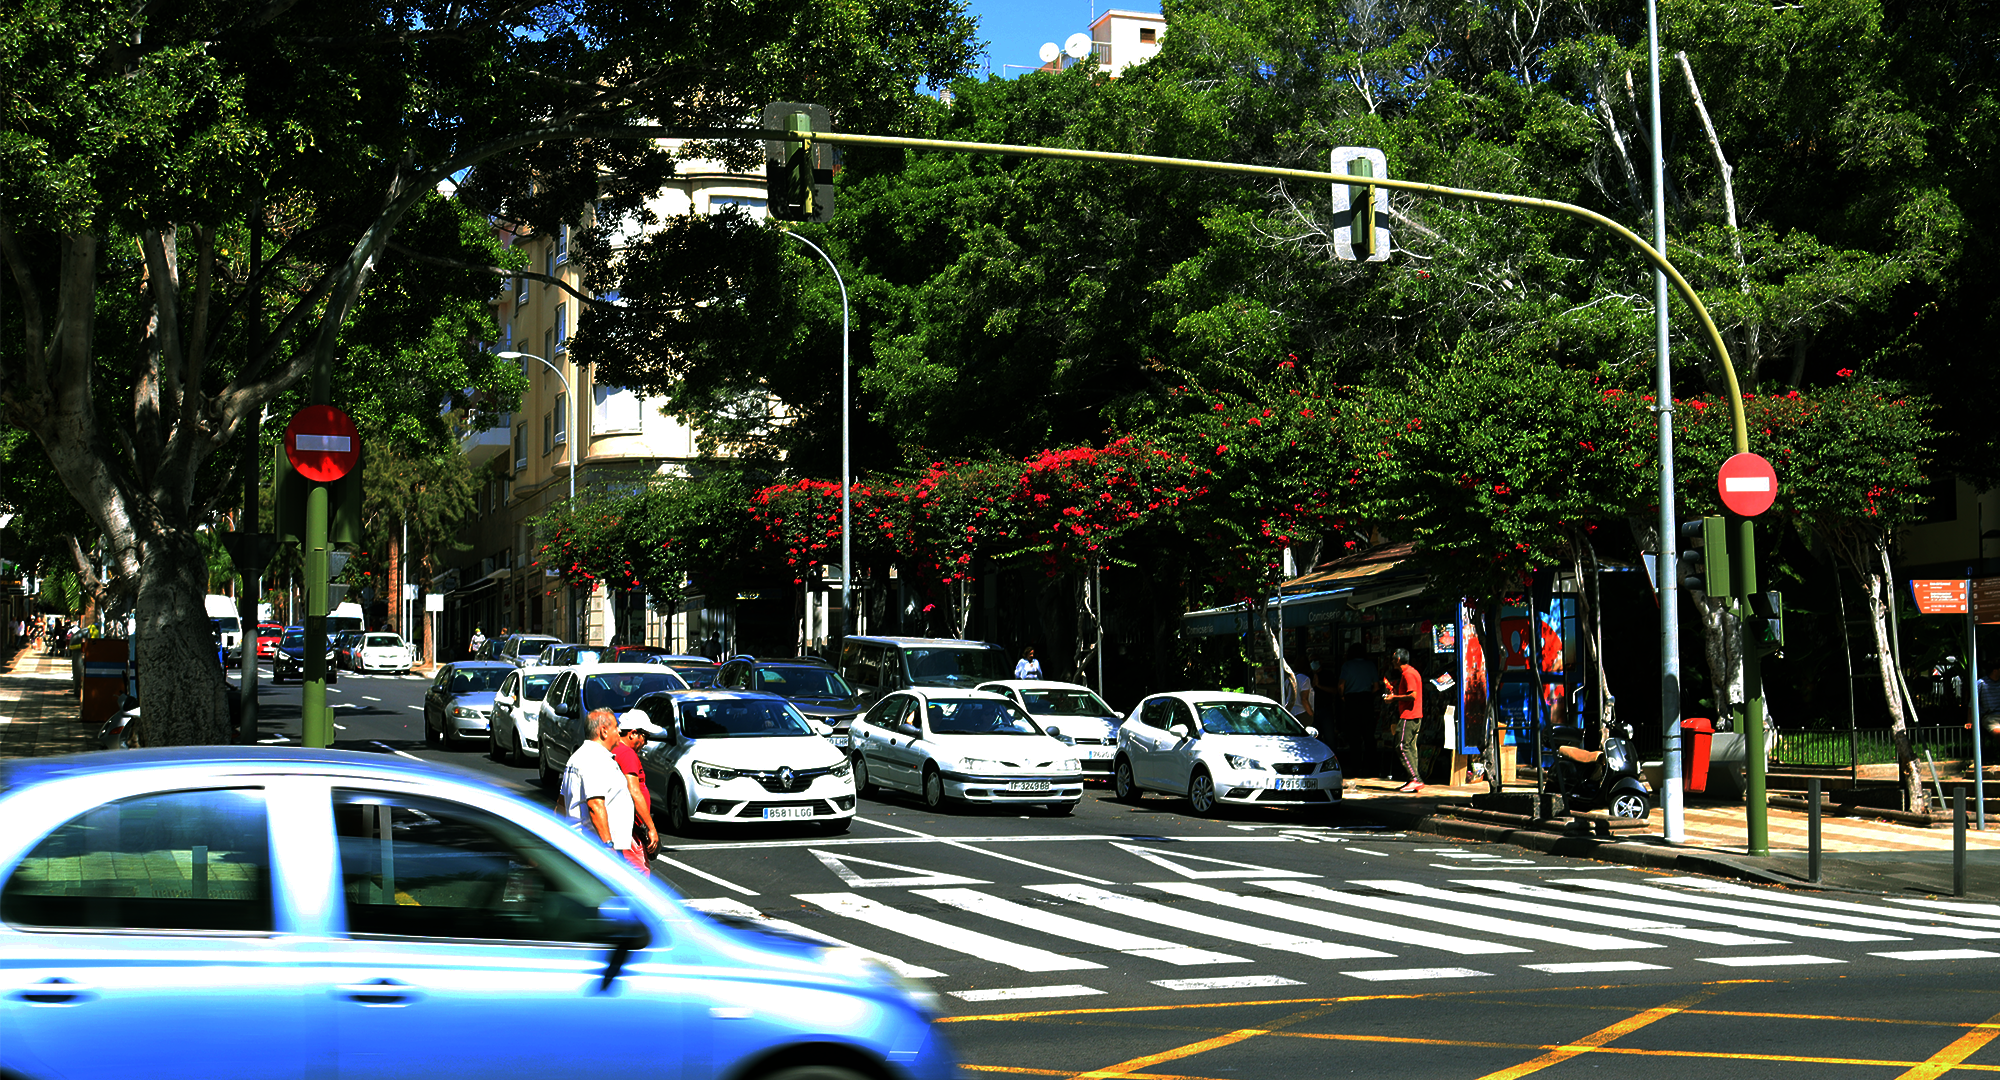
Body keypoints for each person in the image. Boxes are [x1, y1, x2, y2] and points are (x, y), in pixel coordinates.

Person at [559, 709, 637, 869]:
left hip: (585, 847)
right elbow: (595, 805)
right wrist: (608, 846)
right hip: (596, 849)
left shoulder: (579, 757)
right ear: (603, 731)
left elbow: (561, 804)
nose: (619, 732)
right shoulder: (594, 759)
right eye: (616, 727)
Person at [612, 713, 660, 868]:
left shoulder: (614, 749)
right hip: (629, 827)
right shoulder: (627, 754)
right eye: (645, 736)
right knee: (638, 873)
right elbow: (634, 791)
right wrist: (651, 828)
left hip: (620, 824)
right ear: (633, 733)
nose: (645, 742)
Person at [1383, 647, 1425, 792]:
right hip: (1413, 715)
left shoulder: (1408, 674)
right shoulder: (1410, 673)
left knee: (1401, 746)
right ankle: (1413, 779)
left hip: (1409, 715)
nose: (1392, 660)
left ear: (1398, 659)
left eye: (1394, 657)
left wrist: (1394, 698)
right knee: (1410, 747)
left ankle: (1415, 779)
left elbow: (1413, 695)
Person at [1337, 645, 1379, 778]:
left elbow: (1341, 685)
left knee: (1354, 737)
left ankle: (1356, 768)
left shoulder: (1347, 666)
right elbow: (1376, 686)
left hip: (1352, 701)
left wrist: (1343, 696)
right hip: (1366, 700)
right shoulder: (1370, 665)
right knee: (1368, 736)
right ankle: (1373, 768)